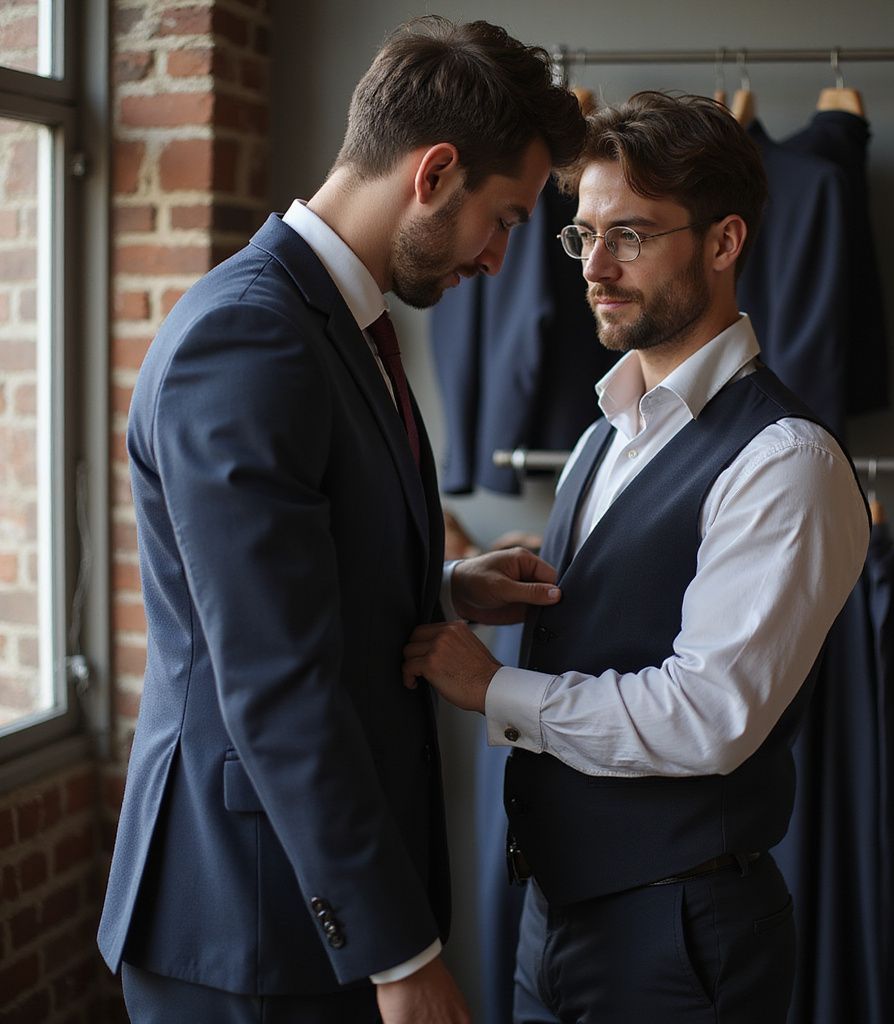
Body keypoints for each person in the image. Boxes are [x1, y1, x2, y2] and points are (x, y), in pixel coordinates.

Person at [97, 17, 585, 1024]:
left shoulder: (344, 321)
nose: (499, 259)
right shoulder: (247, 336)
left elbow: (297, 585)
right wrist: (400, 952)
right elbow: (273, 678)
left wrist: (446, 585)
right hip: (248, 914)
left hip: (300, 901)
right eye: (504, 218)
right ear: (434, 171)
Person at [403, 92, 870, 1023]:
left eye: (632, 236)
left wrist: (493, 689)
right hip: (553, 918)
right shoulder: (603, 436)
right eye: (582, 238)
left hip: (680, 940)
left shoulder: (785, 460)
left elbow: (709, 715)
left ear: (724, 241)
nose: (597, 269)